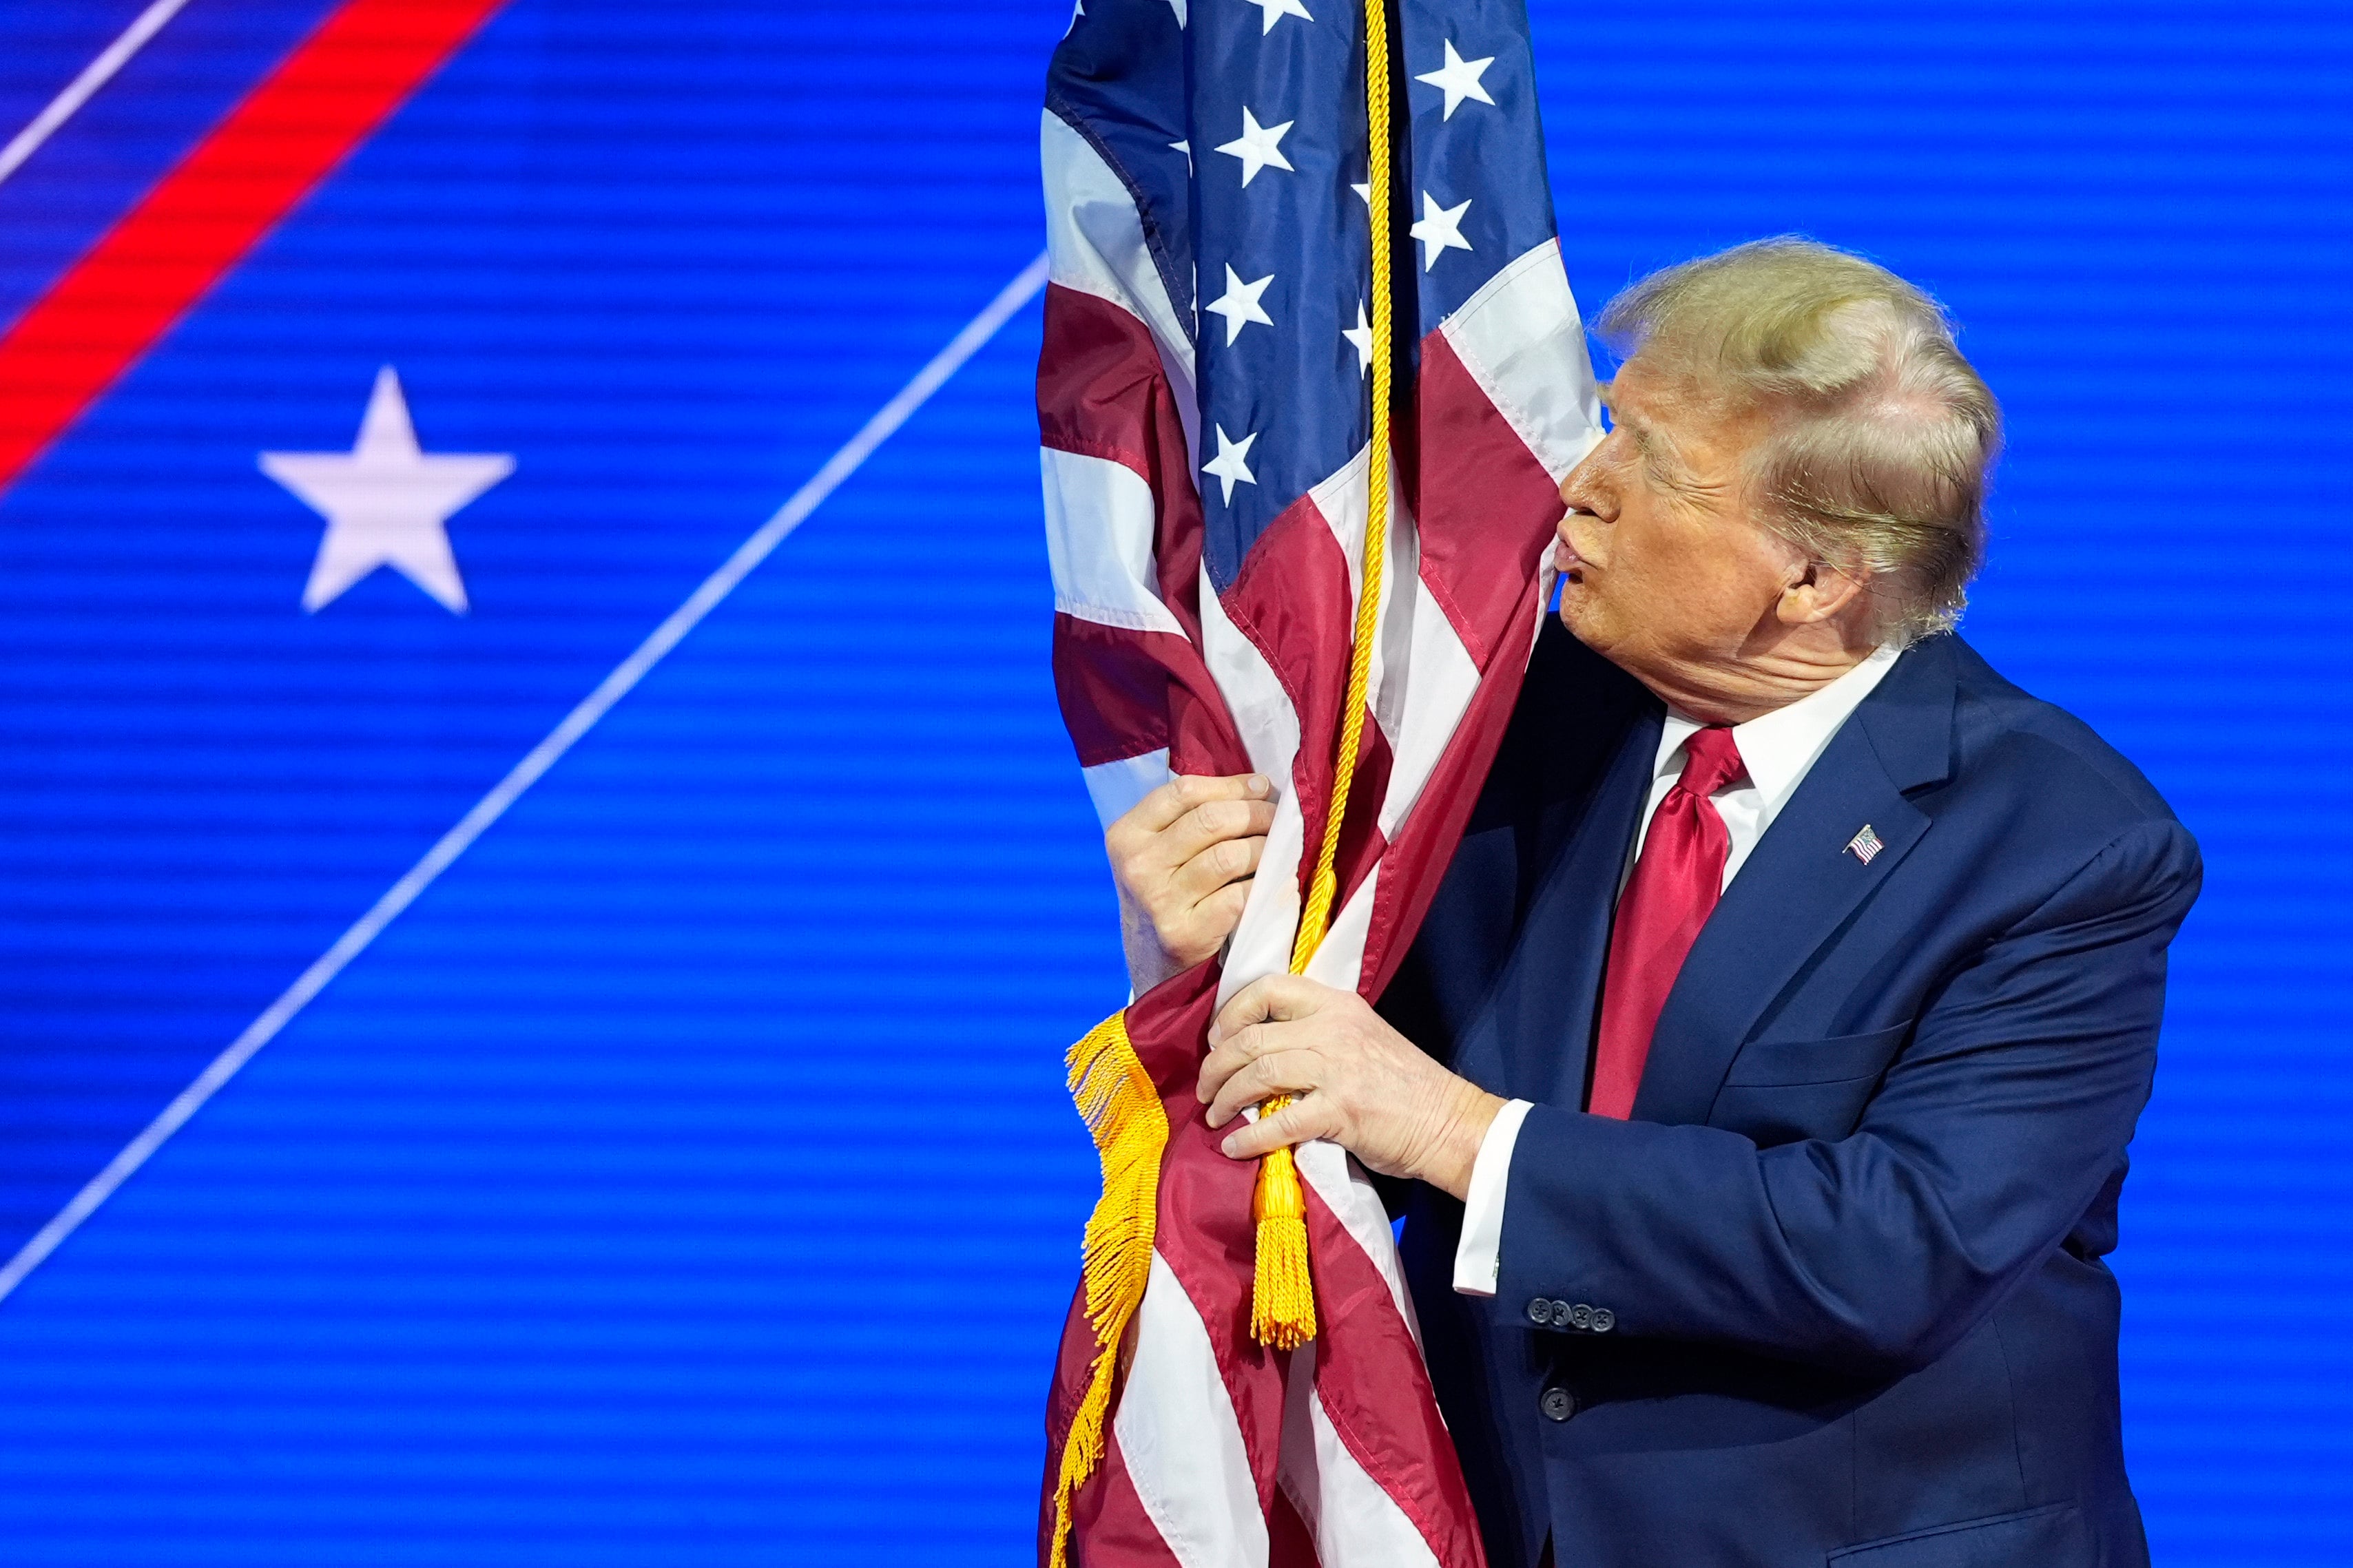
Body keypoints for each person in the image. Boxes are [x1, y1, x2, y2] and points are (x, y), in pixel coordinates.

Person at [1103, 239, 2199, 1568]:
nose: (1579, 486)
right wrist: (1221, 943)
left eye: (1651, 464)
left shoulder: (2060, 842)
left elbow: (1896, 1245)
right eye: (1608, 424)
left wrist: (1461, 1132)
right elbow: (1354, 1078)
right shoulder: (1505, 729)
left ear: (1814, 578)